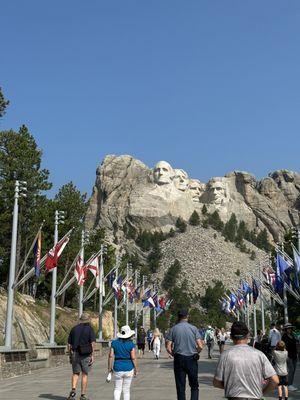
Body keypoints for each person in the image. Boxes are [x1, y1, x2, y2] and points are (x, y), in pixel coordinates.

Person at [213, 321, 279, 400]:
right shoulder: (259, 355)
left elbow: (216, 382)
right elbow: (275, 380)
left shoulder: (225, 355)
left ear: (231, 336)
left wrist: (230, 386)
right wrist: (262, 392)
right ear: (248, 335)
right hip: (255, 397)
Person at [165, 309, 203, 400]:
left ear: (178, 317)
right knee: (194, 385)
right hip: (192, 358)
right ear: (187, 316)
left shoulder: (173, 329)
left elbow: (168, 347)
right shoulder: (193, 328)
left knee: (180, 386)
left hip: (179, 358)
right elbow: (200, 346)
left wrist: (173, 354)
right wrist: (196, 352)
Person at [67, 313, 96, 400]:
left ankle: (73, 391)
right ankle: (83, 395)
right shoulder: (90, 329)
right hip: (86, 354)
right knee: (84, 374)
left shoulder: (74, 329)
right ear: (88, 320)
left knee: (75, 373)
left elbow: (69, 344)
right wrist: (92, 355)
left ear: (80, 320)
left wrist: (70, 354)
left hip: (75, 353)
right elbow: (93, 343)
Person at [108, 325, 138, 400]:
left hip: (117, 367)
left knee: (117, 388)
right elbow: (133, 357)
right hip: (129, 368)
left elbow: (111, 356)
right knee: (126, 390)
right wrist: (136, 369)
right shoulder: (131, 344)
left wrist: (109, 368)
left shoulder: (114, 343)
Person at [281, 322, 298, 392]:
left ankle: (289, 384)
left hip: (294, 355)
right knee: (291, 370)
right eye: (288, 328)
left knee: (293, 370)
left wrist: (297, 353)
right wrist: (286, 355)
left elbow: (295, 344)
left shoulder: (293, 335)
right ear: (285, 329)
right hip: (288, 356)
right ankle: (289, 385)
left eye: (290, 328)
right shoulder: (284, 337)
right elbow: (283, 347)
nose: (289, 329)